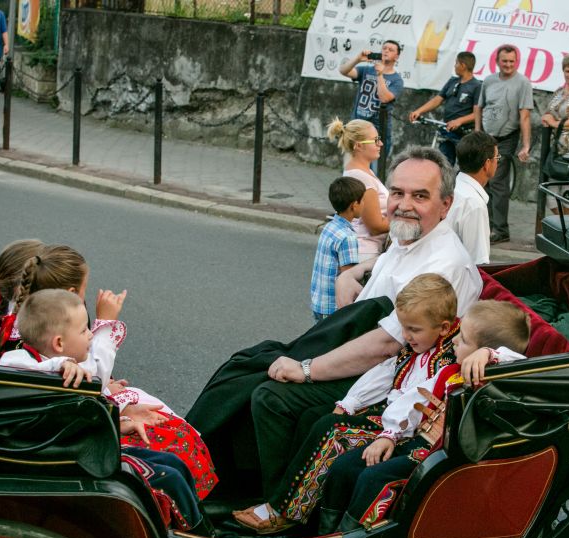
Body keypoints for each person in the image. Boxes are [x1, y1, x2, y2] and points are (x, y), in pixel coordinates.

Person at [187, 146, 483, 498]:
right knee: (246, 365)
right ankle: (207, 473)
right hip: (364, 351)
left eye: (420, 196)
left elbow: (386, 345)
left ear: (446, 205)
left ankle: (277, 504)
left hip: (392, 376)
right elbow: (390, 263)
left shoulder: (444, 263)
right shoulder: (412, 236)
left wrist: (307, 369)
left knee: (271, 396)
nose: (404, 205)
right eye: (397, 193)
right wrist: (351, 273)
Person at [233, 274, 461, 533]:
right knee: (312, 418)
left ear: (444, 328)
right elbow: (386, 372)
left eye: (414, 330)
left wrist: (389, 433)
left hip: (404, 430)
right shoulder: (420, 346)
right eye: (404, 327)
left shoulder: (446, 358)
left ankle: (286, 511)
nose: (406, 336)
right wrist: (350, 403)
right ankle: (300, 505)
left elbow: (416, 400)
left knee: (333, 430)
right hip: (389, 414)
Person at [2, 245, 218, 497]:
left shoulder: (35, 326)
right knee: (174, 443)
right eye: (85, 330)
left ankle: (193, 500)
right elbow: (94, 376)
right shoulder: (28, 351)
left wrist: (114, 403)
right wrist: (99, 331)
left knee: (175, 432)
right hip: (72, 436)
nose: (90, 336)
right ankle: (186, 506)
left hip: (83, 419)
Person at [0, 289, 211, 534]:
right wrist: (60, 363)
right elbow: (10, 364)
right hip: (64, 460)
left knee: (173, 463)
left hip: (74, 447)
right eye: (84, 331)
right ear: (59, 343)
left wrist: (117, 423)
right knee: (169, 477)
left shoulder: (64, 366)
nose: (90, 334)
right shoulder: (22, 361)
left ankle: (203, 529)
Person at [319, 299, 529, 533]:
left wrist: (490, 355)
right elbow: (411, 401)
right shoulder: (450, 373)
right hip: (415, 441)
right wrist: (389, 435)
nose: (454, 341)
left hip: (445, 457)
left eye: (464, 339)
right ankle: (325, 533)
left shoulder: (500, 383)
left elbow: (521, 365)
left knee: (374, 478)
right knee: (345, 466)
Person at [473, 45, 534, 244]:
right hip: (486, 137)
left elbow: (525, 116)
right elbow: (479, 107)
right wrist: (477, 131)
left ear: (517, 62)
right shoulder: (489, 80)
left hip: (507, 138)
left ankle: (500, 230)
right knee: (483, 181)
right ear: (497, 61)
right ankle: (486, 226)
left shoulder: (523, 83)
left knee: (497, 181)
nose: (508, 65)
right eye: (504, 61)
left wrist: (526, 145)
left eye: (511, 61)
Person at [327, 118, 389, 262]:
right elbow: (375, 226)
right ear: (359, 145)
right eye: (375, 140)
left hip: (365, 250)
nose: (380, 143)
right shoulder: (362, 178)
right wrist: (405, 221)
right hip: (366, 252)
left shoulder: (360, 171)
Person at [408, 51, 482, 166]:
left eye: (456, 63)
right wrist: (419, 111)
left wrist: (459, 121)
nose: (454, 66)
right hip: (447, 130)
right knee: (443, 164)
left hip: (464, 134)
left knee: (465, 166)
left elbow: (477, 113)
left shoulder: (477, 86)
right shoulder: (452, 81)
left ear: (463, 65)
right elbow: (437, 100)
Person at [339, 41, 404, 165]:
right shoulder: (367, 70)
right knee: (351, 165)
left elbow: (384, 98)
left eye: (391, 50)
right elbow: (343, 71)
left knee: (374, 169)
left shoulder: (397, 80)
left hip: (378, 132)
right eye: (384, 48)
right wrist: (357, 59)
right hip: (357, 127)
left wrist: (380, 74)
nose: (386, 51)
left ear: (396, 57)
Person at [311, 177, 364, 322]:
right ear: (354, 205)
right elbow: (348, 277)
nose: (365, 204)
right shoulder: (348, 237)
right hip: (333, 308)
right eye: (363, 201)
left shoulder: (329, 226)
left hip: (319, 302)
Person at [445, 131, 496, 264]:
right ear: (487, 164)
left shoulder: (454, 187)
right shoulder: (474, 204)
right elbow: (478, 262)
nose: (498, 162)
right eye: (497, 157)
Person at [541, 54, 569, 167]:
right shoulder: (558, 92)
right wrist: (547, 117)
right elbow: (548, 114)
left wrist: (555, 123)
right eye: (567, 71)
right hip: (553, 146)